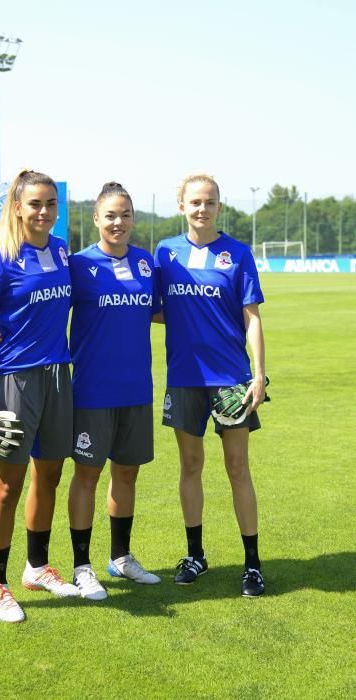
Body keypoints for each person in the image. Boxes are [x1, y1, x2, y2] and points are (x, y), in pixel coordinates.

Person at [0, 169, 78, 623]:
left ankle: (37, 568)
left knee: (49, 478)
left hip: (58, 379)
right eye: (35, 204)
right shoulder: (0, 256)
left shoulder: (60, 250)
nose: (44, 212)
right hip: (14, 380)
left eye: (51, 203)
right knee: (8, 485)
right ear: (17, 207)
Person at [154, 172, 267, 597]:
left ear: (220, 207)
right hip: (185, 376)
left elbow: (251, 317)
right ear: (181, 206)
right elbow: (147, 307)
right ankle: (195, 555)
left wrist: (258, 373)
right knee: (190, 466)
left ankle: (252, 564)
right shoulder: (165, 253)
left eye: (210, 202)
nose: (202, 209)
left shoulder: (237, 254)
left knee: (238, 467)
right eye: (195, 202)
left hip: (232, 380)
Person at [66, 182, 162, 600]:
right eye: (110, 215)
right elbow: (46, 305)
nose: (118, 222)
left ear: (133, 218)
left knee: (127, 474)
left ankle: (120, 558)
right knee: (87, 476)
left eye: (125, 214)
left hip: (136, 389)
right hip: (92, 391)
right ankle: (82, 567)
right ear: (96, 219)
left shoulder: (146, 263)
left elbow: (163, 311)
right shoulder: (78, 265)